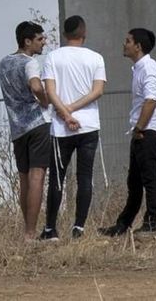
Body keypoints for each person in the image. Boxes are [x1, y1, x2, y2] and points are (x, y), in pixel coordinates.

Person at [39, 15, 105, 241]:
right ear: (84, 33)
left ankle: (50, 230)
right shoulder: (96, 58)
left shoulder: (53, 57)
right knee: (85, 177)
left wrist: (66, 114)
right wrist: (74, 110)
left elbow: (50, 91)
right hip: (88, 126)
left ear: (65, 34)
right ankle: (79, 227)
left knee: (57, 178)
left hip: (60, 128)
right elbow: (97, 91)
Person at [100, 28, 156, 236]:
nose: (124, 44)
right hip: (141, 131)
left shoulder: (149, 68)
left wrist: (139, 128)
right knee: (135, 182)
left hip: (149, 131)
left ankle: (152, 223)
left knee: (149, 179)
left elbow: (151, 100)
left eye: (128, 41)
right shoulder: (139, 68)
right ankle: (123, 225)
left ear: (138, 46)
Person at [0, 20, 57, 239]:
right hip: (37, 124)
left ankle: (27, 228)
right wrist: (44, 100)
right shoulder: (30, 63)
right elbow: (35, 85)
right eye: (40, 39)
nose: (43, 43)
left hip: (17, 128)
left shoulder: (4, 62)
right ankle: (31, 232)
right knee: (37, 177)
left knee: (24, 179)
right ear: (27, 41)